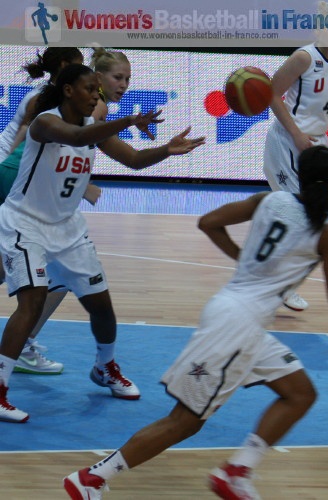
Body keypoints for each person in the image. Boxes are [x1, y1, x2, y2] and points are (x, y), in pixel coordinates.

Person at [63, 145, 328, 500]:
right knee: (184, 422)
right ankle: (92, 478)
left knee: (300, 393)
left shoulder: (269, 201)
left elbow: (208, 222)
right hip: (237, 328)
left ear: (297, 173)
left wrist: (243, 260)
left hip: (233, 314)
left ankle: (237, 472)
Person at [0, 63, 205, 423]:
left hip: (68, 230)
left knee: (102, 306)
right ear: (68, 91)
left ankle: (104, 367)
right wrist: (127, 121)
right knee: (30, 303)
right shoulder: (45, 123)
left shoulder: (93, 130)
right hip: (25, 225)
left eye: (98, 90)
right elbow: (76, 139)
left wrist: (166, 150)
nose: (96, 96)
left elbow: (135, 160)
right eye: (89, 90)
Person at [0, 47, 96, 376]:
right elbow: (28, 144)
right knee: (53, 272)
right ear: (67, 71)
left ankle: (23, 342)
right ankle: (23, 345)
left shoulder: (66, 103)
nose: (92, 85)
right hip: (10, 175)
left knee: (10, 268)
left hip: (12, 175)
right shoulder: (43, 103)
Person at [263, 1, 328, 312]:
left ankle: (275, 280)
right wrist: (297, 135)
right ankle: (280, 285)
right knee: (301, 216)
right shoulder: (303, 57)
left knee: (309, 217)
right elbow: (271, 94)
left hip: (313, 145)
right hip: (287, 141)